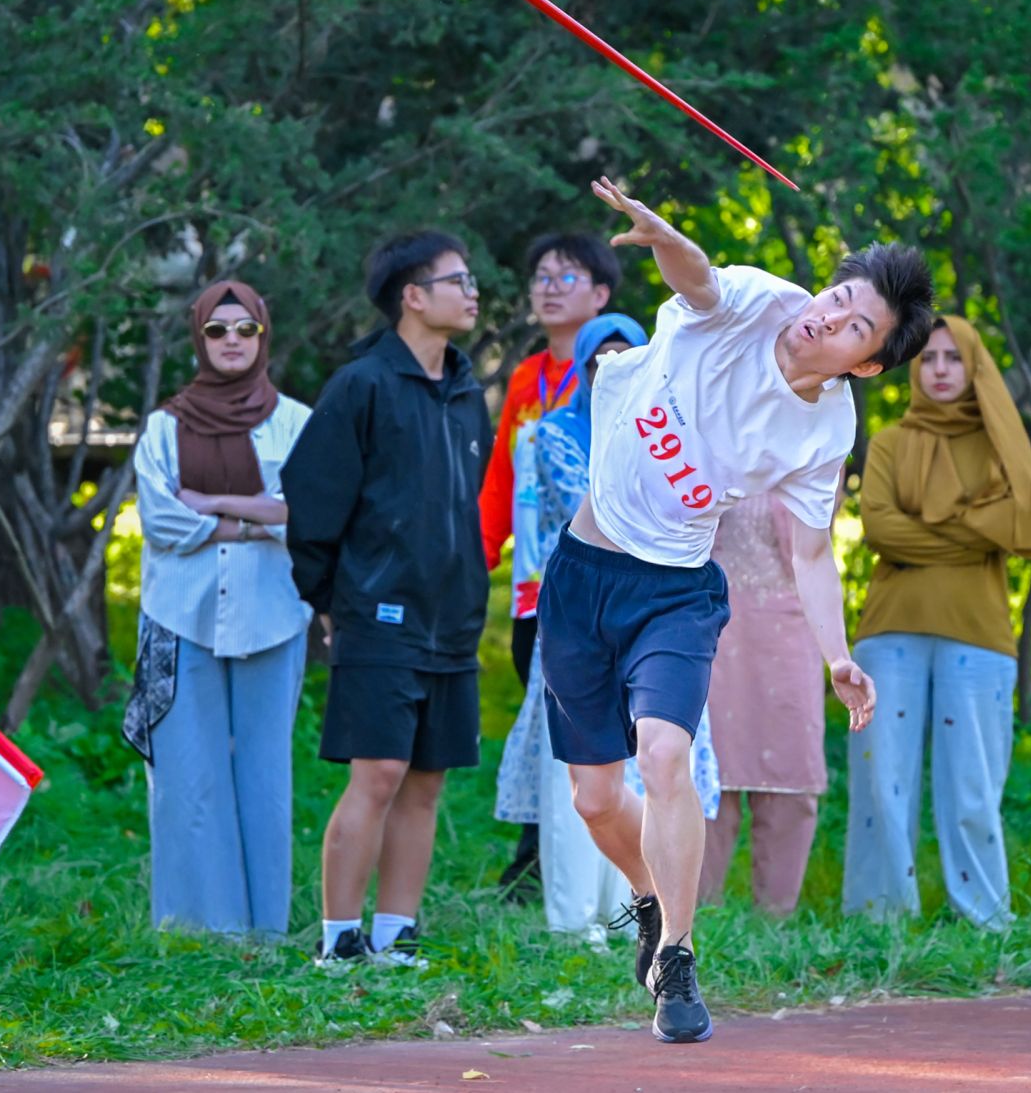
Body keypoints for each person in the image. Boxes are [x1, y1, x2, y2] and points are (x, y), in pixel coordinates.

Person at [536, 177, 934, 1043]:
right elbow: (699, 279)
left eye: (855, 325)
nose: (827, 317)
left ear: (868, 362)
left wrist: (837, 655)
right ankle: (651, 898)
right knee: (596, 799)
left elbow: (812, 550)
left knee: (665, 753)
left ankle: (677, 958)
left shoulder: (825, 430)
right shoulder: (759, 301)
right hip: (584, 569)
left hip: (676, 589)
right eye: (836, 297)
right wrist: (663, 232)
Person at [284, 232, 493, 971]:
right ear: (412, 295)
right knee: (377, 774)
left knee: (426, 781)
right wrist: (328, 597)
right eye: (457, 280)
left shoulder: (467, 393)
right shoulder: (361, 385)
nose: (472, 291)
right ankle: (339, 939)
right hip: (378, 615)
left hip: (453, 619)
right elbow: (311, 500)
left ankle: (394, 934)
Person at [495, 314, 722, 934]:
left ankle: (641, 911)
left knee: (656, 761)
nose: (610, 370)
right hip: (574, 610)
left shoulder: (677, 431)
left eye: (626, 357)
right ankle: (573, 920)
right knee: (581, 781)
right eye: (598, 360)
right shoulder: (552, 432)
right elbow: (583, 506)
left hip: (660, 612)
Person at [844, 316, 1031, 929]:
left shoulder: (1000, 446)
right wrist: (972, 530)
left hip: (978, 633)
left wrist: (923, 533)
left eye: (953, 358)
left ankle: (985, 919)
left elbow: (1024, 527)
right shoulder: (890, 443)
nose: (939, 369)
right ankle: (879, 921)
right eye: (929, 358)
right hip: (892, 628)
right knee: (881, 781)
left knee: (973, 784)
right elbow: (881, 529)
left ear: (974, 367)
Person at [123, 280, 312, 936]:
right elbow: (162, 520)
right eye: (217, 330)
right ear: (198, 338)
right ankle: (198, 932)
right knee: (188, 776)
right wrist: (259, 517)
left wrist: (213, 504)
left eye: (245, 329)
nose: (232, 340)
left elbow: (307, 512)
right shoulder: (164, 427)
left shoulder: (295, 422)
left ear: (263, 335)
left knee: (265, 775)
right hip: (180, 617)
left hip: (273, 614)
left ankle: (264, 930)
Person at [479, 233, 619, 896]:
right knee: (543, 721)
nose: (549, 288)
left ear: (601, 294)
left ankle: (574, 868)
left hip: (597, 584)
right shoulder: (526, 377)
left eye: (568, 277)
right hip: (533, 585)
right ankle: (540, 858)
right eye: (541, 276)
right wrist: (479, 559)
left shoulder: (614, 369)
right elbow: (501, 480)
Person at [697, 494, 827, 918]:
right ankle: (695, 917)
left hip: (792, 629)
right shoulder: (712, 456)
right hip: (716, 625)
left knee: (792, 770)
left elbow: (816, 550)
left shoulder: (812, 460)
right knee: (712, 770)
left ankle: (776, 917)